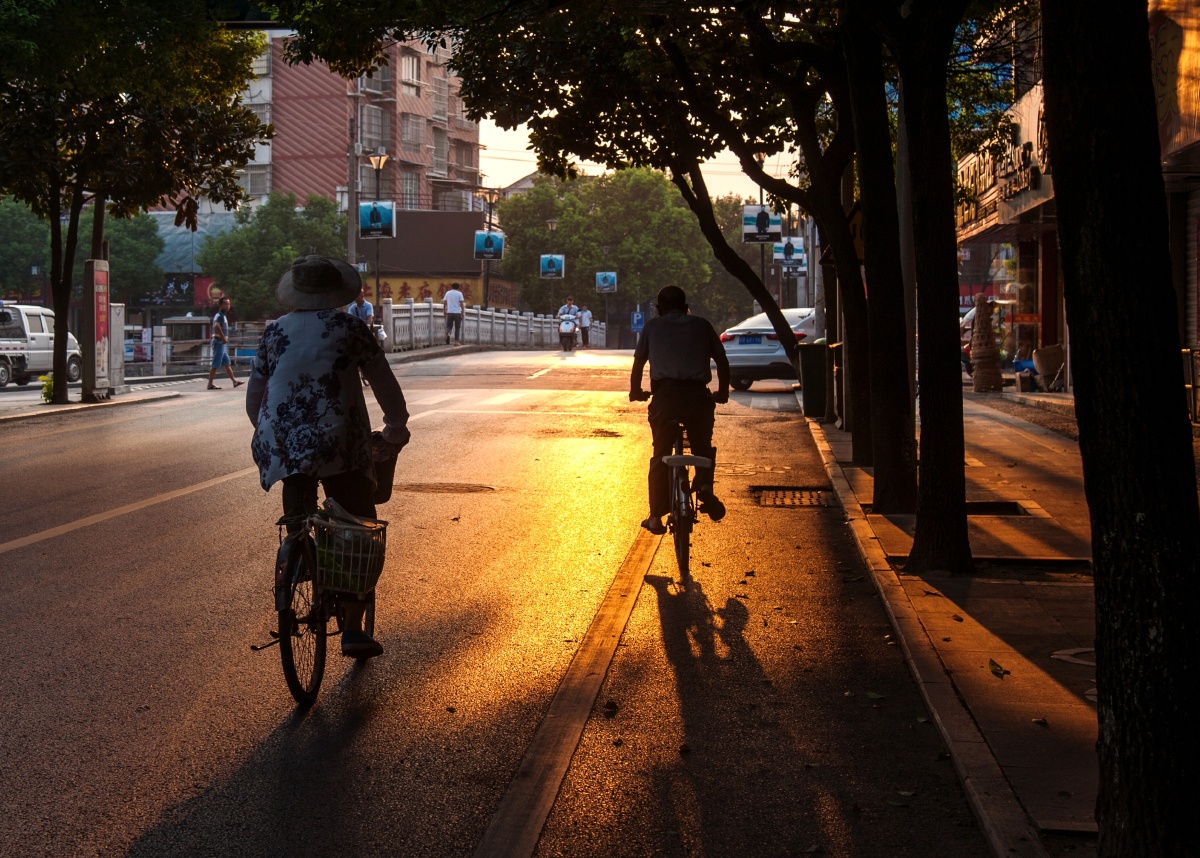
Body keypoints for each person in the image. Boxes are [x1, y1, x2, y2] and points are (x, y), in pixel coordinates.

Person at [246, 255, 411, 659]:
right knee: (356, 523)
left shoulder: (274, 333)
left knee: (298, 504)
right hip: (339, 438)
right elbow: (384, 385)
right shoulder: (350, 327)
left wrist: (272, 433)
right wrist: (396, 428)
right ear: (336, 292)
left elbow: (255, 399)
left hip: (283, 435)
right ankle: (353, 629)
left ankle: (299, 550)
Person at [629, 285, 730, 535]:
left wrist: (636, 391)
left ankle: (655, 518)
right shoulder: (702, 324)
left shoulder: (652, 327)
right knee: (702, 447)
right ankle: (705, 485)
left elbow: (639, 362)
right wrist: (723, 392)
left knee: (660, 454)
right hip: (698, 398)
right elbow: (722, 360)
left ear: (658, 309)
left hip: (665, 398)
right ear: (686, 308)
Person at [207, 296, 243, 390]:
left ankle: (234, 381)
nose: (227, 306)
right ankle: (210, 384)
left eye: (228, 304)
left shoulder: (222, 316)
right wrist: (223, 338)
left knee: (227, 363)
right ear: (220, 305)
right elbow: (217, 326)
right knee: (215, 364)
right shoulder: (219, 315)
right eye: (225, 304)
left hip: (221, 343)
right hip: (219, 342)